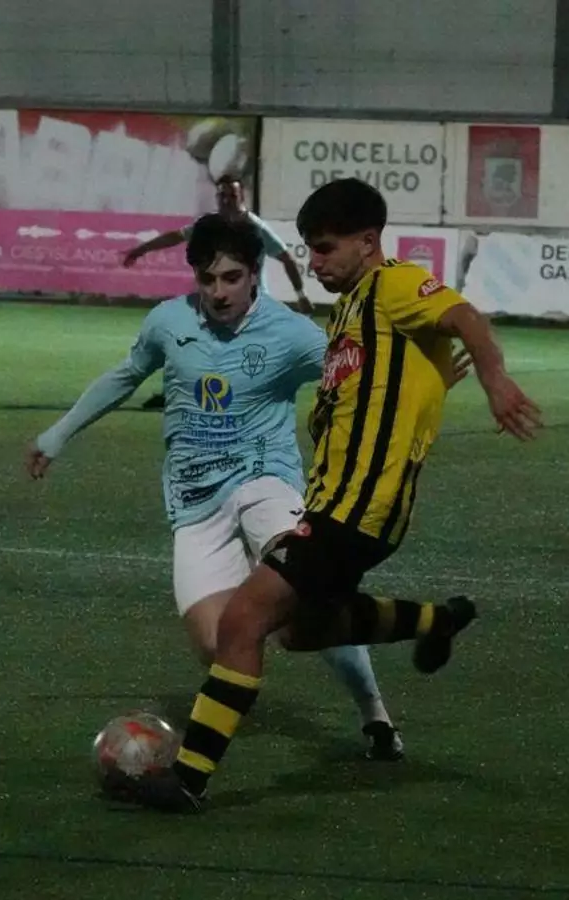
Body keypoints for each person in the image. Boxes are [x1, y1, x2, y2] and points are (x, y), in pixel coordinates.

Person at [118, 177, 543, 814]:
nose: (313, 263)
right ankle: (436, 620)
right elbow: (372, 395)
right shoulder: (347, 313)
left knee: (242, 621)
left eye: (325, 249)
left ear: (367, 242)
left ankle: (188, 779)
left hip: (356, 509)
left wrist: (495, 378)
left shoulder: (391, 285)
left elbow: (464, 318)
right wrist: (428, 387)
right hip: (335, 504)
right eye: (309, 249)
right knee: (301, 630)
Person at [27, 214, 405, 760]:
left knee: (312, 600)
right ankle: (272, 632)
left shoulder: (290, 333)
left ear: (254, 273)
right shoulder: (169, 321)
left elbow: (361, 374)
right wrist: (59, 433)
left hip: (265, 481)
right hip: (195, 501)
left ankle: (374, 714)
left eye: (231, 278)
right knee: (216, 643)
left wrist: (427, 376)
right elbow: (126, 375)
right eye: (208, 279)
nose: (219, 292)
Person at [122, 176, 312, 411]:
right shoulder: (210, 226)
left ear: (242, 197)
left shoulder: (255, 227)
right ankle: (176, 392)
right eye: (222, 195)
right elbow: (176, 236)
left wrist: (301, 295)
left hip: (248, 302)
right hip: (216, 299)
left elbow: (286, 258)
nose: (227, 200)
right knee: (188, 341)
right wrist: (141, 249)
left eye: (232, 195)